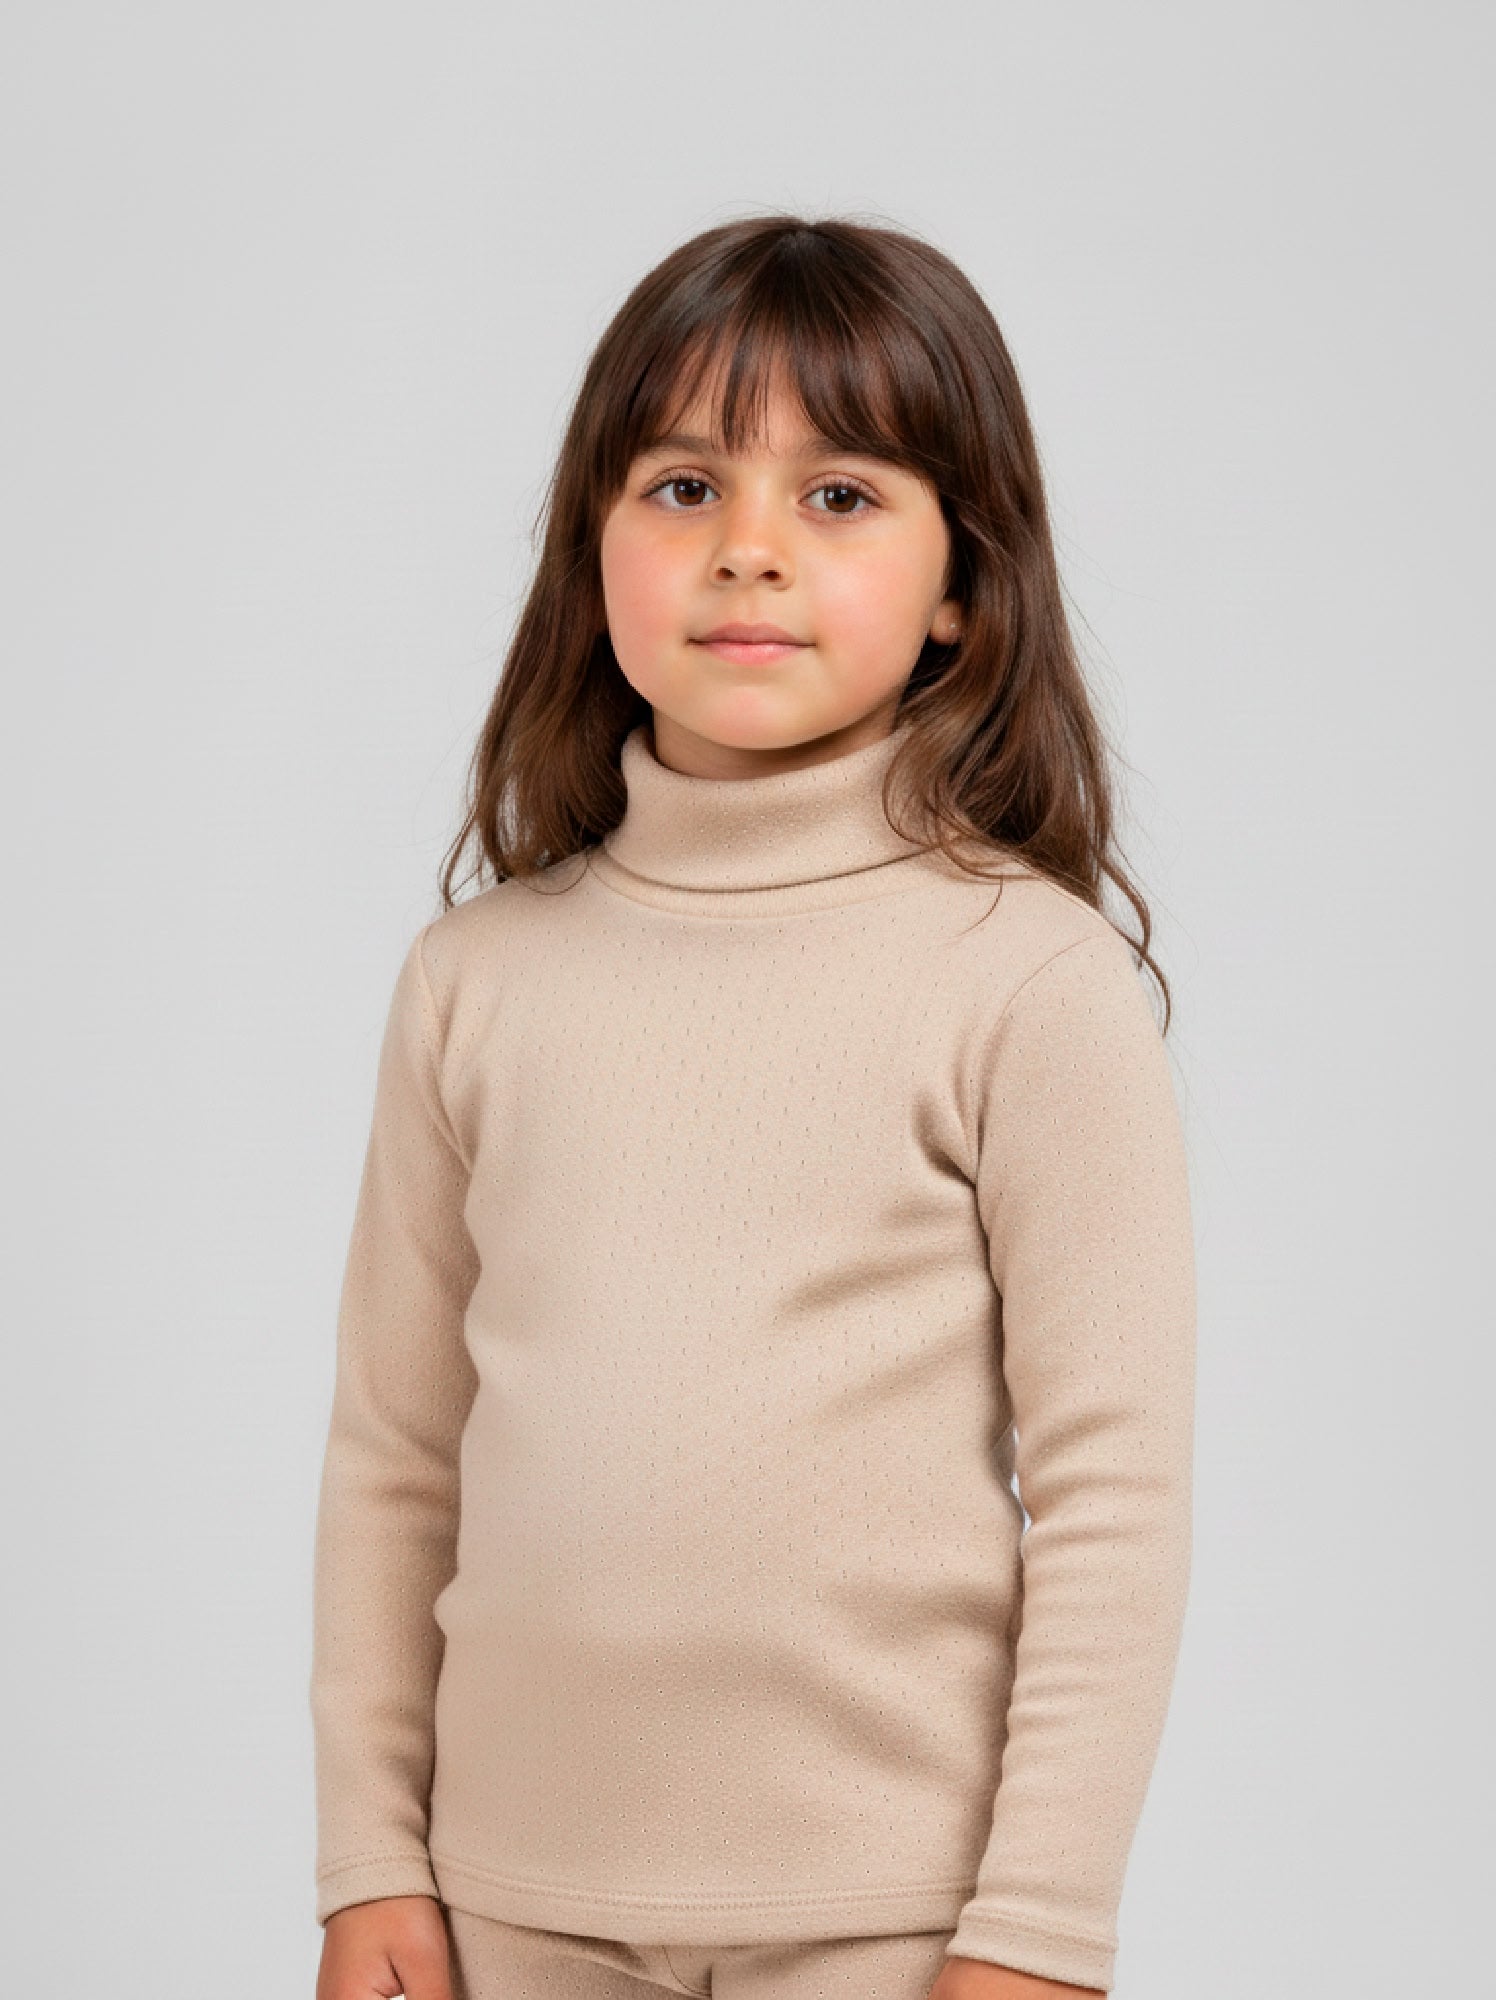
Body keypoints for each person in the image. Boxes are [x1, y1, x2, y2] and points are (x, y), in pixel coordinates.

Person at [309, 212, 1198, 2000]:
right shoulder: (474, 983)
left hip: (892, 1916)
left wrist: (1035, 1938)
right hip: (509, 1907)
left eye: (842, 495)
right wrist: (367, 1863)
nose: (750, 554)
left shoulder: (1028, 981)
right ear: (594, 551)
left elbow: (1114, 1493)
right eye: (685, 485)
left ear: (966, 581)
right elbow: (398, 1458)